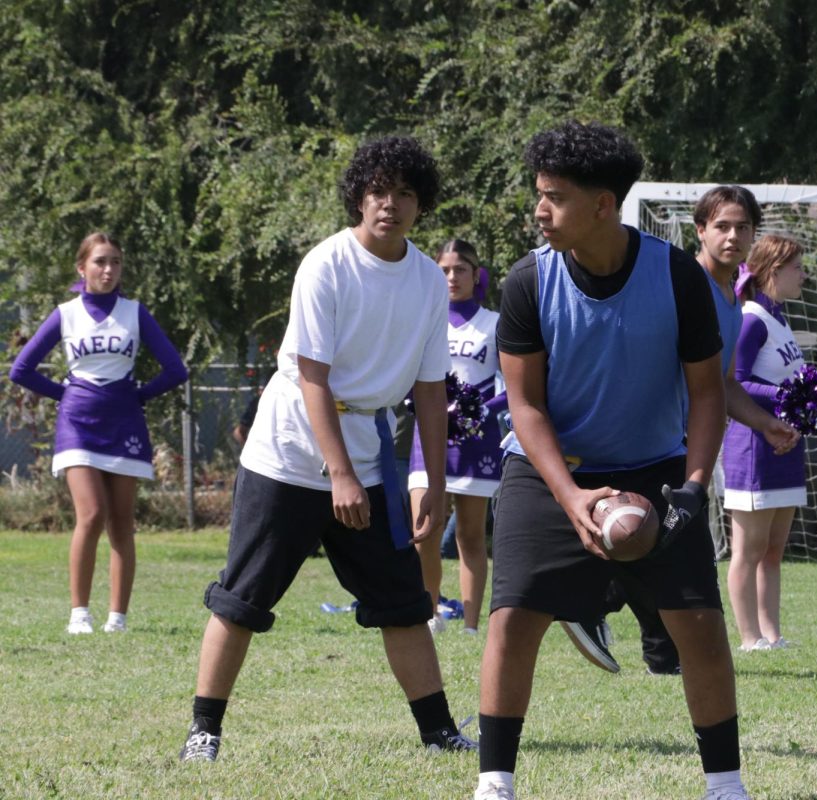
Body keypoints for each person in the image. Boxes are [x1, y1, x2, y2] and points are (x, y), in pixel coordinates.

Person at [474, 121, 751, 800]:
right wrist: (570, 496)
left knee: (701, 629)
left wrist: (692, 486)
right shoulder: (527, 281)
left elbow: (707, 390)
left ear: (603, 205)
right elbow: (525, 406)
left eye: (555, 197)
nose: (540, 210)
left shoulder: (676, 274)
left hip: (652, 465)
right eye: (538, 194)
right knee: (512, 619)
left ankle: (726, 785)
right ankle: (494, 782)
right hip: (546, 469)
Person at [178, 136, 475, 763]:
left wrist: (437, 484)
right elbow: (312, 376)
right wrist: (337, 474)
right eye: (377, 192)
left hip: (366, 455)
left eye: (403, 193)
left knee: (404, 602)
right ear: (357, 198)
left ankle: (439, 733)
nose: (388, 204)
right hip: (288, 453)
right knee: (243, 597)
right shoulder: (326, 263)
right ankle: (203, 733)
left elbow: (428, 390)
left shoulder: (426, 279)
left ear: (420, 205)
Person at [561, 185, 799, 674]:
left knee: (661, 543)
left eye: (743, 228)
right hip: (638, 437)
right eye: (722, 226)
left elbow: (719, 382)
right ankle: (589, 602)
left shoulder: (731, 296)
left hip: (680, 440)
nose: (733, 236)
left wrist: (764, 423)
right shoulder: (679, 281)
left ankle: (651, 645)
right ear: (700, 231)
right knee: (654, 540)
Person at [9, 232, 187, 635]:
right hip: (77, 426)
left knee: (122, 523)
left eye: (116, 263)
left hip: (124, 423)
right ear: (82, 268)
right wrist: (69, 395)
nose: (109, 270)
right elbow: (21, 369)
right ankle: (79, 615)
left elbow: (176, 369)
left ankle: (117, 619)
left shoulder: (135, 312)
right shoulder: (66, 313)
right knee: (91, 514)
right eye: (100, 262)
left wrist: (137, 396)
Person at [409, 238, 507, 635]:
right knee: (424, 530)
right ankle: (430, 615)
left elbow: (517, 385)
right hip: (426, 436)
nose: (452, 277)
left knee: (469, 534)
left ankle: (470, 624)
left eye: (460, 269)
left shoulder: (495, 323)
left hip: (477, 438)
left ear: (476, 274)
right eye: (444, 269)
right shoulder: (421, 319)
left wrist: (484, 409)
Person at [722, 234, 809, 652]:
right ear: (775, 270)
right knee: (749, 548)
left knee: (773, 550)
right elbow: (734, 382)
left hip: (786, 445)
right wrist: (787, 399)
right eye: (798, 268)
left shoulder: (779, 318)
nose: (804, 275)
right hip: (753, 444)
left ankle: (772, 634)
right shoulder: (751, 317)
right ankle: (748, 637)